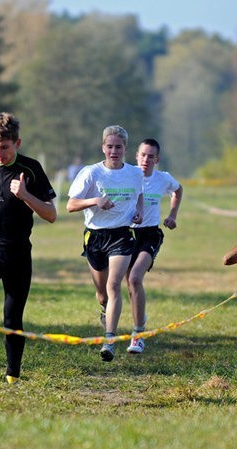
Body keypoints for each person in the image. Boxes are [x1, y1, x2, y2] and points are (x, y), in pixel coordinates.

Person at [0, 112, 57, 384]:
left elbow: (51, 214)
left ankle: (12, 374)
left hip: (18, 253)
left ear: (17, 143)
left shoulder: (31, 169)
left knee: (13, 317)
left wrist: (26, 195)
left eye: (4, 147)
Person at [66, 125, 143, 362]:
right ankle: (104, 310)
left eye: (118, 147)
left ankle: (109, 341)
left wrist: (138, 212)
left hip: (121, 235)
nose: (113, 151)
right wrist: (95, 201)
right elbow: (70, 205)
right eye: (109, 146)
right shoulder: (91, 173)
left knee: (114, 285)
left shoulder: (135, 173)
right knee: (102, 294)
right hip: (95, 236)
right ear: (103, 148)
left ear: (125, 149)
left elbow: (139, 196)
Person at [125, 138, 183, 354]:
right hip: (125, 234)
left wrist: (172, 215)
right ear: (136, 156)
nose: (146, 160)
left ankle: (138, 335)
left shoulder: (163, 179)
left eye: (151, 156)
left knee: (135, 278)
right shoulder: (127, 174)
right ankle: (139, 317)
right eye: (143, 155)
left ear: (157, 159)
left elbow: (178, 190)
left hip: (150, 234)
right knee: (131, 286)